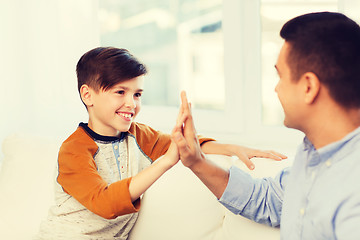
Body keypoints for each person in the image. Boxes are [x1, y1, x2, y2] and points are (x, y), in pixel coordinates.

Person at [36, 47, 285, 239]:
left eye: (137, 94)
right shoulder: (74, 150)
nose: (132, 103)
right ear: (87, 95)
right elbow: (106, 203)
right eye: (120, 92)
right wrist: (167, 162)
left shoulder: (138, 135)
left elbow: (183, 143)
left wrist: (232, 148)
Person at [172, 12, 360, 239]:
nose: (276, 88)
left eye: (281, 76)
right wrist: (196, 161)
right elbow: (269, 200)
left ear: (308, 87)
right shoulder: (312, 151)